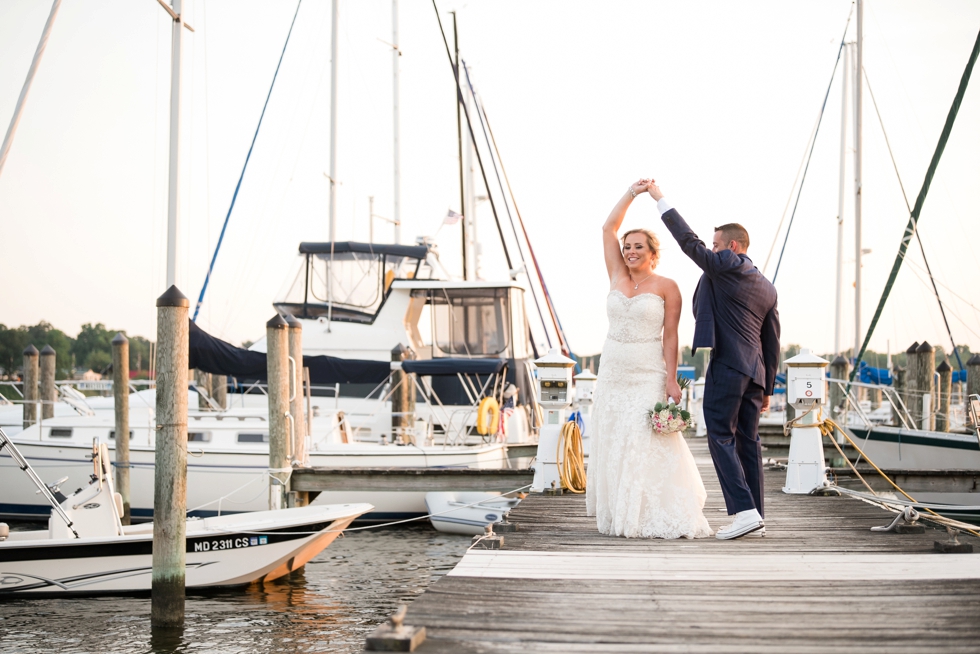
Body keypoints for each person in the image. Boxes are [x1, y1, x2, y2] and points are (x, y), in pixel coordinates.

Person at [647, 179, 780, 540]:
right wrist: (767, 387)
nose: (712, 251)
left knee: (720, 436)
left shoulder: (727, 264)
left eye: (717, 245)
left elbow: (691, 244)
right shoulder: (765, 285)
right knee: (747, 443)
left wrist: (661, 200)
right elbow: (773, 341)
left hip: (729, 365)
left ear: (732, 247)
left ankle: (744, 511)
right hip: (754, 373)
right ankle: (755, 517)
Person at [585, 179, 713, 539]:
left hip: (646, 372)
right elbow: (607, 227)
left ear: (653, 253)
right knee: (615, 438)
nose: (629, 251)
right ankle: (620, 511)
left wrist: (671, 379)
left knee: (643, 439)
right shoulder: (616, 275)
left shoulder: (667, 287)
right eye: (627, 246)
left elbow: (671, 336)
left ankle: (648, 513)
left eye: (637, 246)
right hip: (612, 371)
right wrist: (632, 193)